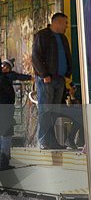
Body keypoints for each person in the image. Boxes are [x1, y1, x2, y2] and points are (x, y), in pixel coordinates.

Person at [32, 13, 72, 149]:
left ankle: (52, 140)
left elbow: (67, 55)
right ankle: (43, 140)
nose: (66, 26)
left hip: (59, 78)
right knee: (46, 110)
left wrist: (68, 73)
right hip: (47, 79)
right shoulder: (42, 35)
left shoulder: (63, 38)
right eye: (65, 23)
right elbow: (36, 56)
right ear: (58, 22)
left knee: (54, 111)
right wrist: (44, 74)